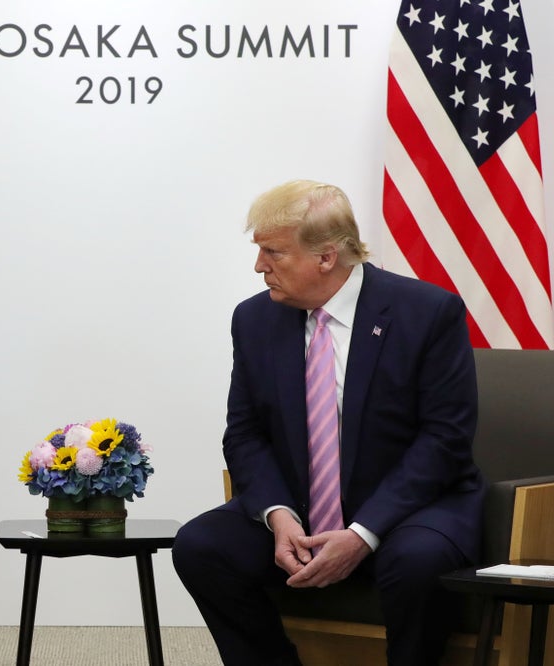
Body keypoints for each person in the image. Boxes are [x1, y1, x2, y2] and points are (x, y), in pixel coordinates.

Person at [172, 180, 485, 665]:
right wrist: (278, 515)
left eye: (274, 252)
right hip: (299, 513)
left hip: (407, 511)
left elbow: (445, 439)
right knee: (201, 546)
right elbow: (245, 433)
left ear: (326, 257)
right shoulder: (254, 320)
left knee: (417, 561)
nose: (259, 266)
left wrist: (363, 533)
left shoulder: (427, 312)